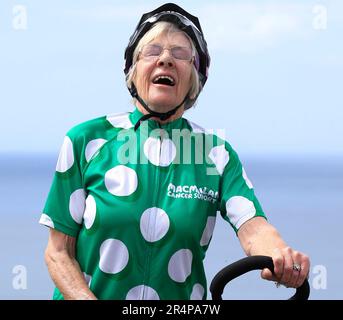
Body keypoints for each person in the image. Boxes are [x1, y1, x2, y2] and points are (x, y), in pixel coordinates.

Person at [39, 3, 310, 300]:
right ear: (133, 69)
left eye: (180, 54)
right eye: (152, 51)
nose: (165, 59)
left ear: (194, 79)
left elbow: (253, 227)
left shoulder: (215, 154)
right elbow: (58, 252)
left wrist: (280, 255)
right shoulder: (85, 140)